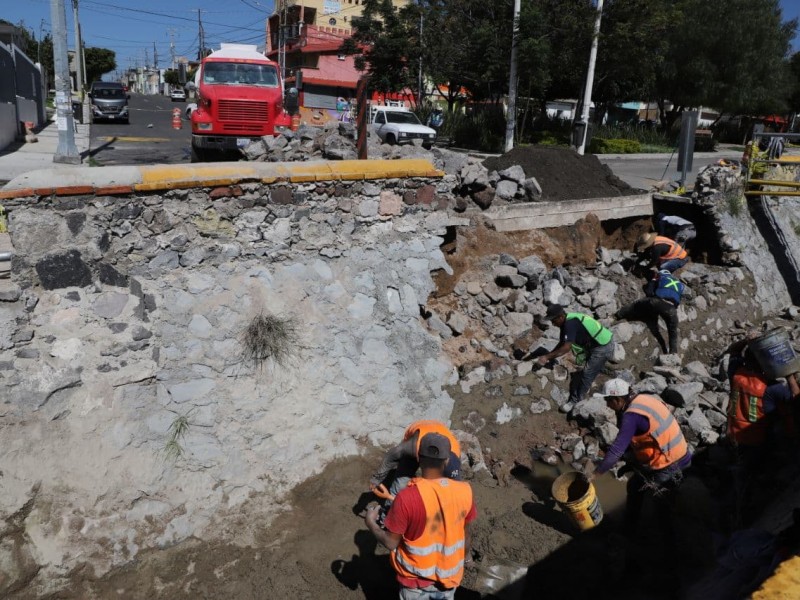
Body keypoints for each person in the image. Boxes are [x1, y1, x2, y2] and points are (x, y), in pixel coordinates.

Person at [365, 433, 477, 600]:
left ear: (419, 460)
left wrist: (371, 523)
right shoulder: (465, 491)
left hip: (416, 584)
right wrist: (465, 560)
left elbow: (390, 542)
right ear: (446, 461)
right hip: (449, 580)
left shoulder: (407, 497)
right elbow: (465, 535)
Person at [588, 378, 691, 534]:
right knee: (635, 486)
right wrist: (631, 463)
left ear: (617, 399)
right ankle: (630, 527)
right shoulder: (644, 400)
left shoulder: (631, 416)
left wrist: (595, 474)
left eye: (608, 401)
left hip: (670, 464)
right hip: (677, 453)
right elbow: (645, 438)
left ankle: (666, 542)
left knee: (661, 506)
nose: (607, 405)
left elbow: (616, 451)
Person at [725, 337, 800, 525]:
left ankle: (738, 504)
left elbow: (733, 351)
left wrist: (747, 340)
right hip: (758, 440)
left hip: (735, 433)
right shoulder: (772, 388)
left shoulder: (736, 374)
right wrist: (790, 376)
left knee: (743, 472)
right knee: (756, 474)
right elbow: (796, 400)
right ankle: (748, 511)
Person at [534, 304, 614, 414]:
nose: (552, 323)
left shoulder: (570, 324)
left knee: (586, 373)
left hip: (602, 346)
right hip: (595, 344)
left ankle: (576, 402)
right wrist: (549, 356)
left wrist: (546, 357)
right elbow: (562, 343)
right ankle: (600, 367)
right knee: (590, 366)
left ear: (561, 317)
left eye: (553, 320)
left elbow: (566, 348)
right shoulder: (567, 322)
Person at [370, 420, 462, 502]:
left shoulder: (452, 463)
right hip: (421, 429)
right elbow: (390, 457)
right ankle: (387, 514)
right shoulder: (411, 448)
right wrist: (376, 479)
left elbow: (453, 492)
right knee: (400, 485)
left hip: (440, 443)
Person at [616, 269, 684, 354]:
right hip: (672, 309)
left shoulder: (661, 278)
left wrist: (653, 280)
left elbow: (649, 292)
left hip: (658, 302)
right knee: (673, 332)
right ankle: (673, 354)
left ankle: (618, 314)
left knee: (636, 304)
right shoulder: (680, 284)